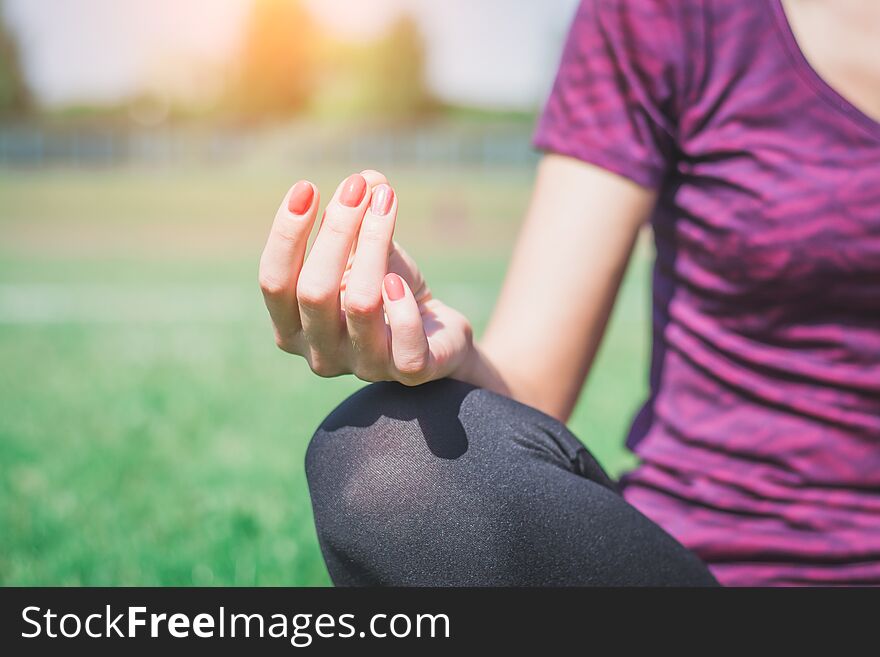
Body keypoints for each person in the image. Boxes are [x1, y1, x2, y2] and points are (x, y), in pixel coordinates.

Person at [258, 0, 880, 586]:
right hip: (699, 578)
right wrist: (440, 347)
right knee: (392, 460)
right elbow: (531, 387)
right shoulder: (667, 13)